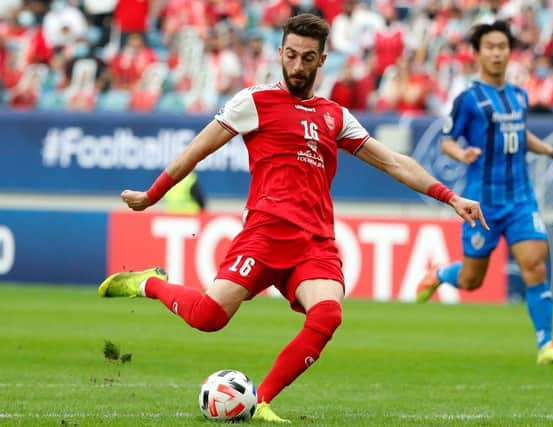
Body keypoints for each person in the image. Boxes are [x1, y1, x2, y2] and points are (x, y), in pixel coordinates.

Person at [97, 13, 488, 423]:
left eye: (307, 58)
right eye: (291, 55)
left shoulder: (335, 116)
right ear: (280, 53)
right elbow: (198, 149)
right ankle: (148, 283)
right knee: (209, 318)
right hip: (264, 233)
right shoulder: (254, 101)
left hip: (313, 242)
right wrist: (151, 194)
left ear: (322, 61)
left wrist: (450, 197)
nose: (297, 66)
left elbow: (393, 162)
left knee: (328, 313)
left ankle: (260, 400)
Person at [415, 20, 553, 365]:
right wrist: (463, 153)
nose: (497, 53)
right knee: (472, 280)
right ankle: (440, 274)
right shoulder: (467, 100)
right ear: (477, 53)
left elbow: (519, 134)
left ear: (509, 52)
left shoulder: (518, 95)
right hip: (480, 202)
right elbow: (446, 141)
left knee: (534, 265)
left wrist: (548, 150)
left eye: (502, 46)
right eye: (490, 47)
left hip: (520, 198)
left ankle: (546, 343)